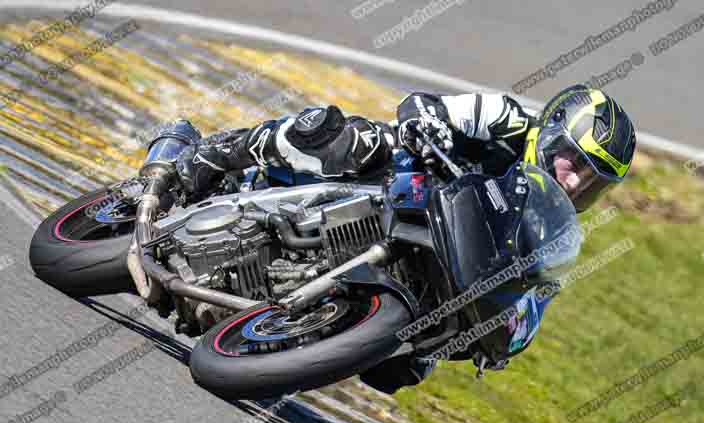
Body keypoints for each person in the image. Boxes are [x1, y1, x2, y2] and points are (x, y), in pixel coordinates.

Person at [166, 84, 637, 393]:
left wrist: (508, 333)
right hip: (397, 186)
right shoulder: (507, 120)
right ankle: (214, 155)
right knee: (346, 136)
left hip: (433, 258)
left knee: (407, 367)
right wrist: (425, 124)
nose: (576, 185)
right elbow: (424, 105)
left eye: (596, 184)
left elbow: (536, 298)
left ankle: (304, 320)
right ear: (554, 134)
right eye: (575, 164)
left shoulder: (549, 230)